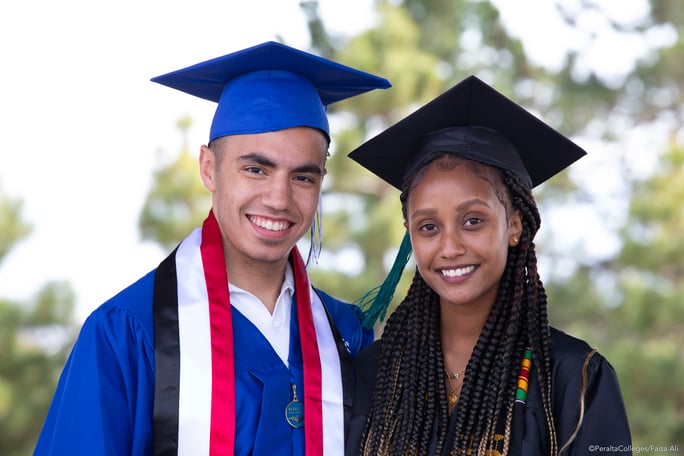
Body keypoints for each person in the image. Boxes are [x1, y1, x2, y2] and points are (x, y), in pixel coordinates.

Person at [34, 41, 390, 455]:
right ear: (209, 168)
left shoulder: (346, 335)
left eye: (303, 178)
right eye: (255, 169)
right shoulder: (127, 333)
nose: (278, 199)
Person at [345, 75, 631, 455]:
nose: (449, 247)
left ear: (514, 224)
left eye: (473, 221)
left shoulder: (572, 377)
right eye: (428, 227)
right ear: (409, 233)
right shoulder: (373, 375)